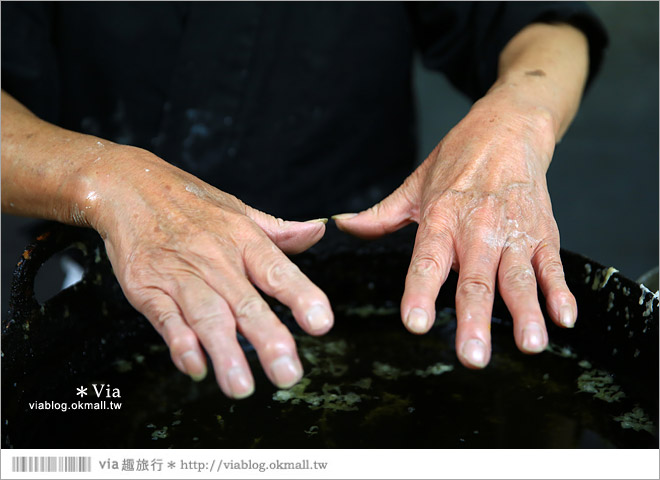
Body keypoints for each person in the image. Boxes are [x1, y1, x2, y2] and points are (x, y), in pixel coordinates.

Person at [1, 2, 607, 399]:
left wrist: (517, 122)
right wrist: (109, 180)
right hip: (112, 275)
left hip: (375, 277)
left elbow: (545, 26)